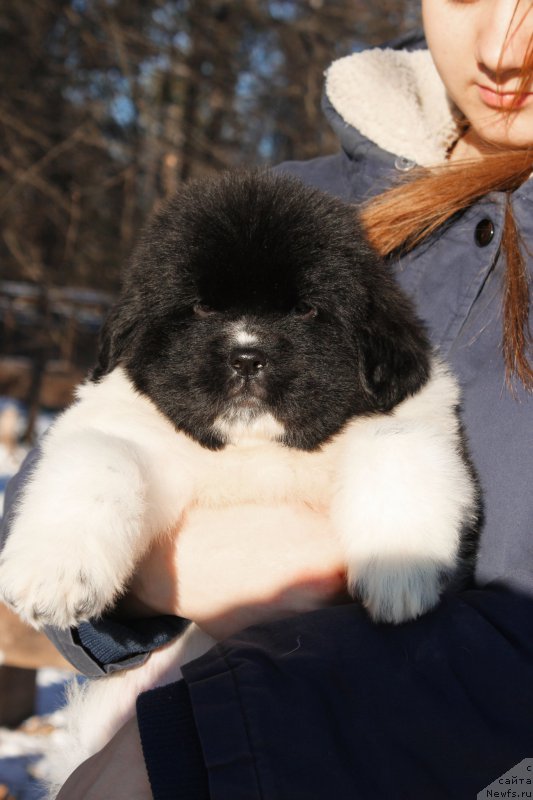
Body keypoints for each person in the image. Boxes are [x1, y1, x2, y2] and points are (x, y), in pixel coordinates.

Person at [1, 1, 533, 798]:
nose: (501, 48)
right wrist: (160, 564)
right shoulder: (287, 196)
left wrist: (214, 736)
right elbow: (91, 442)